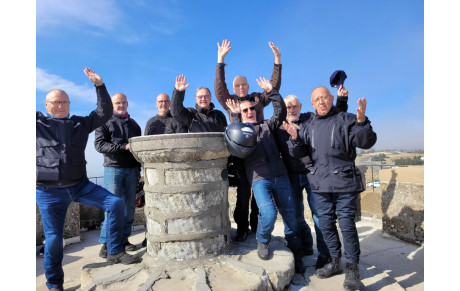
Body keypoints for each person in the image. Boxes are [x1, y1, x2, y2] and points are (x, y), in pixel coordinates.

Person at [36, 68, 141, 291]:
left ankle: (113, 250)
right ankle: (54, 284)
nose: (60, 105)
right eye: (55, 102)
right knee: (54, 238)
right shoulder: (37, 125)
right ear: (46, 105)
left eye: (64, 102)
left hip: (79, 185)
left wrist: (100, 86)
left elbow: (103, 113)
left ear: (70, 104)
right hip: (48, 191)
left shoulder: (79, 123)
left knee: (115, 203)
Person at [285, 86, 377, 290]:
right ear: (312, 104)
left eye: (324, 98)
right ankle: (335, 260)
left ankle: (352, 267)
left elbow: (365, 141)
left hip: (344, 183)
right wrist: (294, 138)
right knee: (325, 224)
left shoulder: (346, 119)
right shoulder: (309, 126)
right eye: (317, 99)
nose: (321, 102)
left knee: (346, 225)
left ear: (331, 99)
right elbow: (299, 153)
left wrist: (361, 121)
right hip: (320, 185)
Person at [225, 77, 304, 274]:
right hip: (259, 179)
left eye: (252, 109)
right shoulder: (241, 131)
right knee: (268, 214)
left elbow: (281, 112)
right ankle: (262, 240)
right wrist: (235, 118)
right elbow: (235, 139)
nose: (250, 112)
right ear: (241, 114)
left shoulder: (268, 125)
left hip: (281, 175)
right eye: (245, 111)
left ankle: (297, 253)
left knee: (291, 218)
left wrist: (272, 91)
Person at [214, 39, 281, 240]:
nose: (241, 87)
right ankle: (242, 228)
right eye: (237, 85)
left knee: (259, 195)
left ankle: (256, 226)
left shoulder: (257, 99)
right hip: (241, 153)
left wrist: (277, 61)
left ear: (248, 85)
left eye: (243, 84)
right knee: (243, 194)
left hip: (260, 148)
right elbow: (219, 89)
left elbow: (272, 87)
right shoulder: (231, 102)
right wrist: (220, 61)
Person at [275, 87, 349, 269]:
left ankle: (326, 255)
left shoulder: (310, 119)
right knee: (295, 216)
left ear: (301, 106)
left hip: (313, 175)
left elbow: (334, 117)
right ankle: (302, 250)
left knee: (320, 216)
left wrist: (341, 100)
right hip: (290, 176)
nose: (291, 109)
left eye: (294, 106)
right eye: (288, 107)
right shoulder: (278, 126)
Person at [94, 92, 142, 258]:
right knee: (113, 208)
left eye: (123, 102)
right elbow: (99, 146)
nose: (121, 105)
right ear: (112, 105)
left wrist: (138, 171)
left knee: (129, 208)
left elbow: (137, 150)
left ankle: (123, 240)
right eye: (117, 103)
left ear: (127, 104)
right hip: (113, 169)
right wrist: (123, 147)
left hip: (132, 170)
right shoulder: (104, 122)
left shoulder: (135, 124)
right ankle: (106, 244)